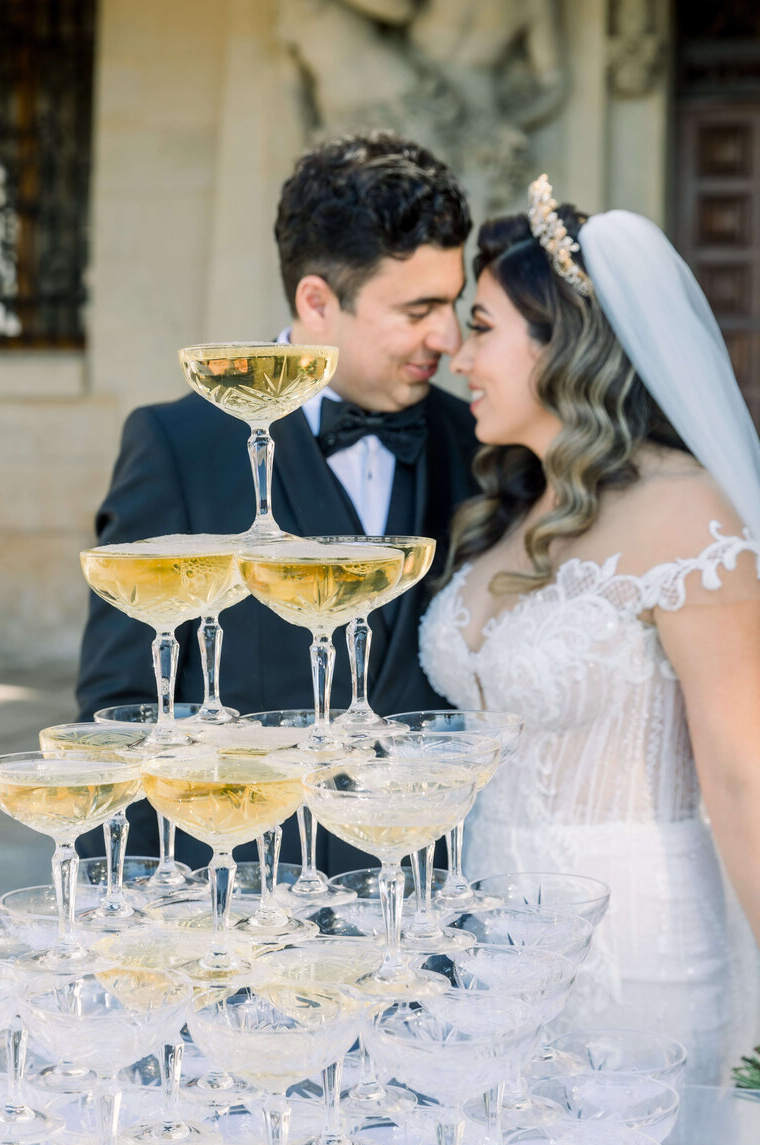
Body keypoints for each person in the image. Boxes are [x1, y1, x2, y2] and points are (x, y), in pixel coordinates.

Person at [419, 175, 760, 1083]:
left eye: (483, 327)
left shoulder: (690, 515)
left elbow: (743, 775)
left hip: (640, 953)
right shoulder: (512, 511)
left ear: (563, 343)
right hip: (485, 947)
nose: (458, 354)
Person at [76, 131, 478, 873]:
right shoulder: (180, 445)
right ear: (317, 302)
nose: (448, 338)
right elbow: (123, 713)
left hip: (423, 907)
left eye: (454, 304)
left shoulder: (479, 442)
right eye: (418, 309)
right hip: (244, 908)